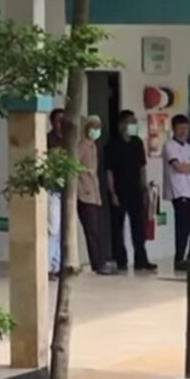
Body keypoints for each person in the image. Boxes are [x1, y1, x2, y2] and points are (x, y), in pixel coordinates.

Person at [105, 111, 156, 272]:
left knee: (138, 227)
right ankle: (121, 259)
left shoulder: (137, 143)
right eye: (130, 122)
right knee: (118, 228)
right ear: (121, 125)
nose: (133, 125)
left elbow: (142, 167)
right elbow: (109, 171)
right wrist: (112, 193)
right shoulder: (111, 145)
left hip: (136, 190)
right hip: (120, 190)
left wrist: (145, 187)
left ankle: (141, 259)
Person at [75, 116, 116, 275]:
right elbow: (74, 169)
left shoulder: (93, 146)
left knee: (97, 229)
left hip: (94, 193)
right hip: (85, 193)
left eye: (98, 127)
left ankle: (101, 260)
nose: (96, 130)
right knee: (91, 229)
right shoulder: (82, 146)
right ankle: (97, 263)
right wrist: (79, 189)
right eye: (93, 127)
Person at [163, 115, 190, 270]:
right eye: (180, 128)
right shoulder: (169, 146)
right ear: (174, 129)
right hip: (178, 191)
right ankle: (179, 258)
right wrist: (188, 168)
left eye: (186, 128)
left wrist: (188, 168)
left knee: (189, 226)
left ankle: (186, 256)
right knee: (181, 226)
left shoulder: (189, 148)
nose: (184, 131)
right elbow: (178, 167)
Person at [45, 109, 67, 279]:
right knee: (52, 228)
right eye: (59, 120)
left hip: (66, 190)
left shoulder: (68, 140)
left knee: (61, 231)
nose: (62, 123)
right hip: (52, 188)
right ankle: (47, 266)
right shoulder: (49, 139)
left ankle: (57, 265)